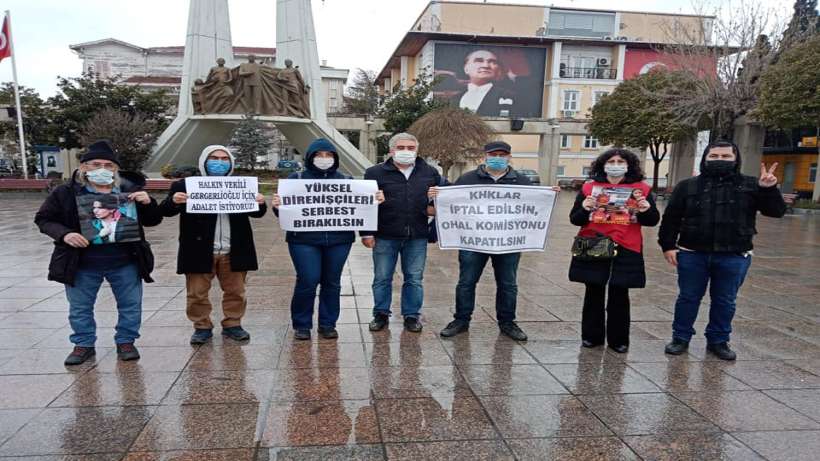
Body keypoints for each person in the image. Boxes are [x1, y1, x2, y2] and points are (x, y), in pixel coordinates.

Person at [34, 140, 163, 365]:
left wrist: (148, 202)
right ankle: (83, 344)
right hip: (81, 262)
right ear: (83, 167)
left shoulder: (129, 190)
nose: (102, 169)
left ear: (116, 169)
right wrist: (65, 234)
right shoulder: (65, 193)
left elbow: (153, 220)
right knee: (80, 307)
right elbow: (44, 219)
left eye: (108, 165)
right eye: (95, 164)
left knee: (131, 304)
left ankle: (126, 341)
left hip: (125, 260)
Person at [659, 141, 786, 360]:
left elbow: (776, 212)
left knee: (725, 300)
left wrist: (769, 189)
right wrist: (668, 245)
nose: (720, 160)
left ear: (736, 159)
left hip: (734, 255)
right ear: (706, 158)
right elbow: (671, 219)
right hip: (692, 253)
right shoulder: (687, 186)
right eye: (715, 156)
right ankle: (681, 337)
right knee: (688, 298)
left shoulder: (750, 184)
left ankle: (718, 340)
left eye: (726, 156)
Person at [437, 141, 553, 341]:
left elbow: (534, 207)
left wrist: (549, 196)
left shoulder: (522, 181)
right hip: (474, 242)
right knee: (466, 282)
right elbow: (452, 203)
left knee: (508, 284)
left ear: (509, 157)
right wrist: (437, 196)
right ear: (485, 156)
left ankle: (507, 322)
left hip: (508, 243)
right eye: (494, 154)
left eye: (502, 154)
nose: (498, 158)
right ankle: (461, 320)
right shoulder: (468, 178)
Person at [273, 138, 385, 340]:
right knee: (308, 280)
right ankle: (302, 324)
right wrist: (277, 205)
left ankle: (327, 324)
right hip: (303, 241)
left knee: (332, 282)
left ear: (335, 158)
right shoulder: (296, 179)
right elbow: (284, 214)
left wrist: (374, 202)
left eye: (328, 155)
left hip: (338, 240)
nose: (324, 159)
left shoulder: (347, 182)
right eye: (319, 155)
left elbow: (362, 209)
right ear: (310, 157)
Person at [159, 145, 267, 345]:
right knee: (196, 293)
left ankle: (233, 324)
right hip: (199, 249)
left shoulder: (241, 185)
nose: (219, 162)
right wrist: (174, 201)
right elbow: (165, 211)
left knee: (236, 291)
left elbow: (258, 213)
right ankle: (201, 326)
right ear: (204, 162)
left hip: (233, 248)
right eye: (214, 158)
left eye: (224, 159)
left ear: (230, 163)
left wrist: (260, 202)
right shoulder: (185, 186)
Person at [568, 149, 659, 353]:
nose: (616, 164)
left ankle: (619, 340)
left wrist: (646, 209)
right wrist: (584, 207)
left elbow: (652, 220)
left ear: (629, 166)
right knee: (594, 290)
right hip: (595, 243)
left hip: (627, 244)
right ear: (603, 164)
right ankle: (592, 337)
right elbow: (575, 219)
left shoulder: (641, 189)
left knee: (620, 292)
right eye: (611, 161)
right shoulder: (590, 188)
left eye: (620, 161)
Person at [361, 133, 443, 333]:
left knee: (414, 278)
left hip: (417, 235)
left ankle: (411, 315)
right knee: (382, 277)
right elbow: (364, 205)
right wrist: (366, 233)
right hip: (385, 234)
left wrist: (438, 198)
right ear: (391, 150)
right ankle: (380, 314)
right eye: (401, 147)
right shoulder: (374, 173)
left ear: (417, 150)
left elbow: (442, 203)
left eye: (410, 148)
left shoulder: (430, 172)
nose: (406, 151)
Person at [449, 49, 518, 116]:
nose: (486, 66)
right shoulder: (454, 99)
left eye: (492, 62)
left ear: (497, 69)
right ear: (466, 69)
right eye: (479, 61)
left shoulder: (510, 96)